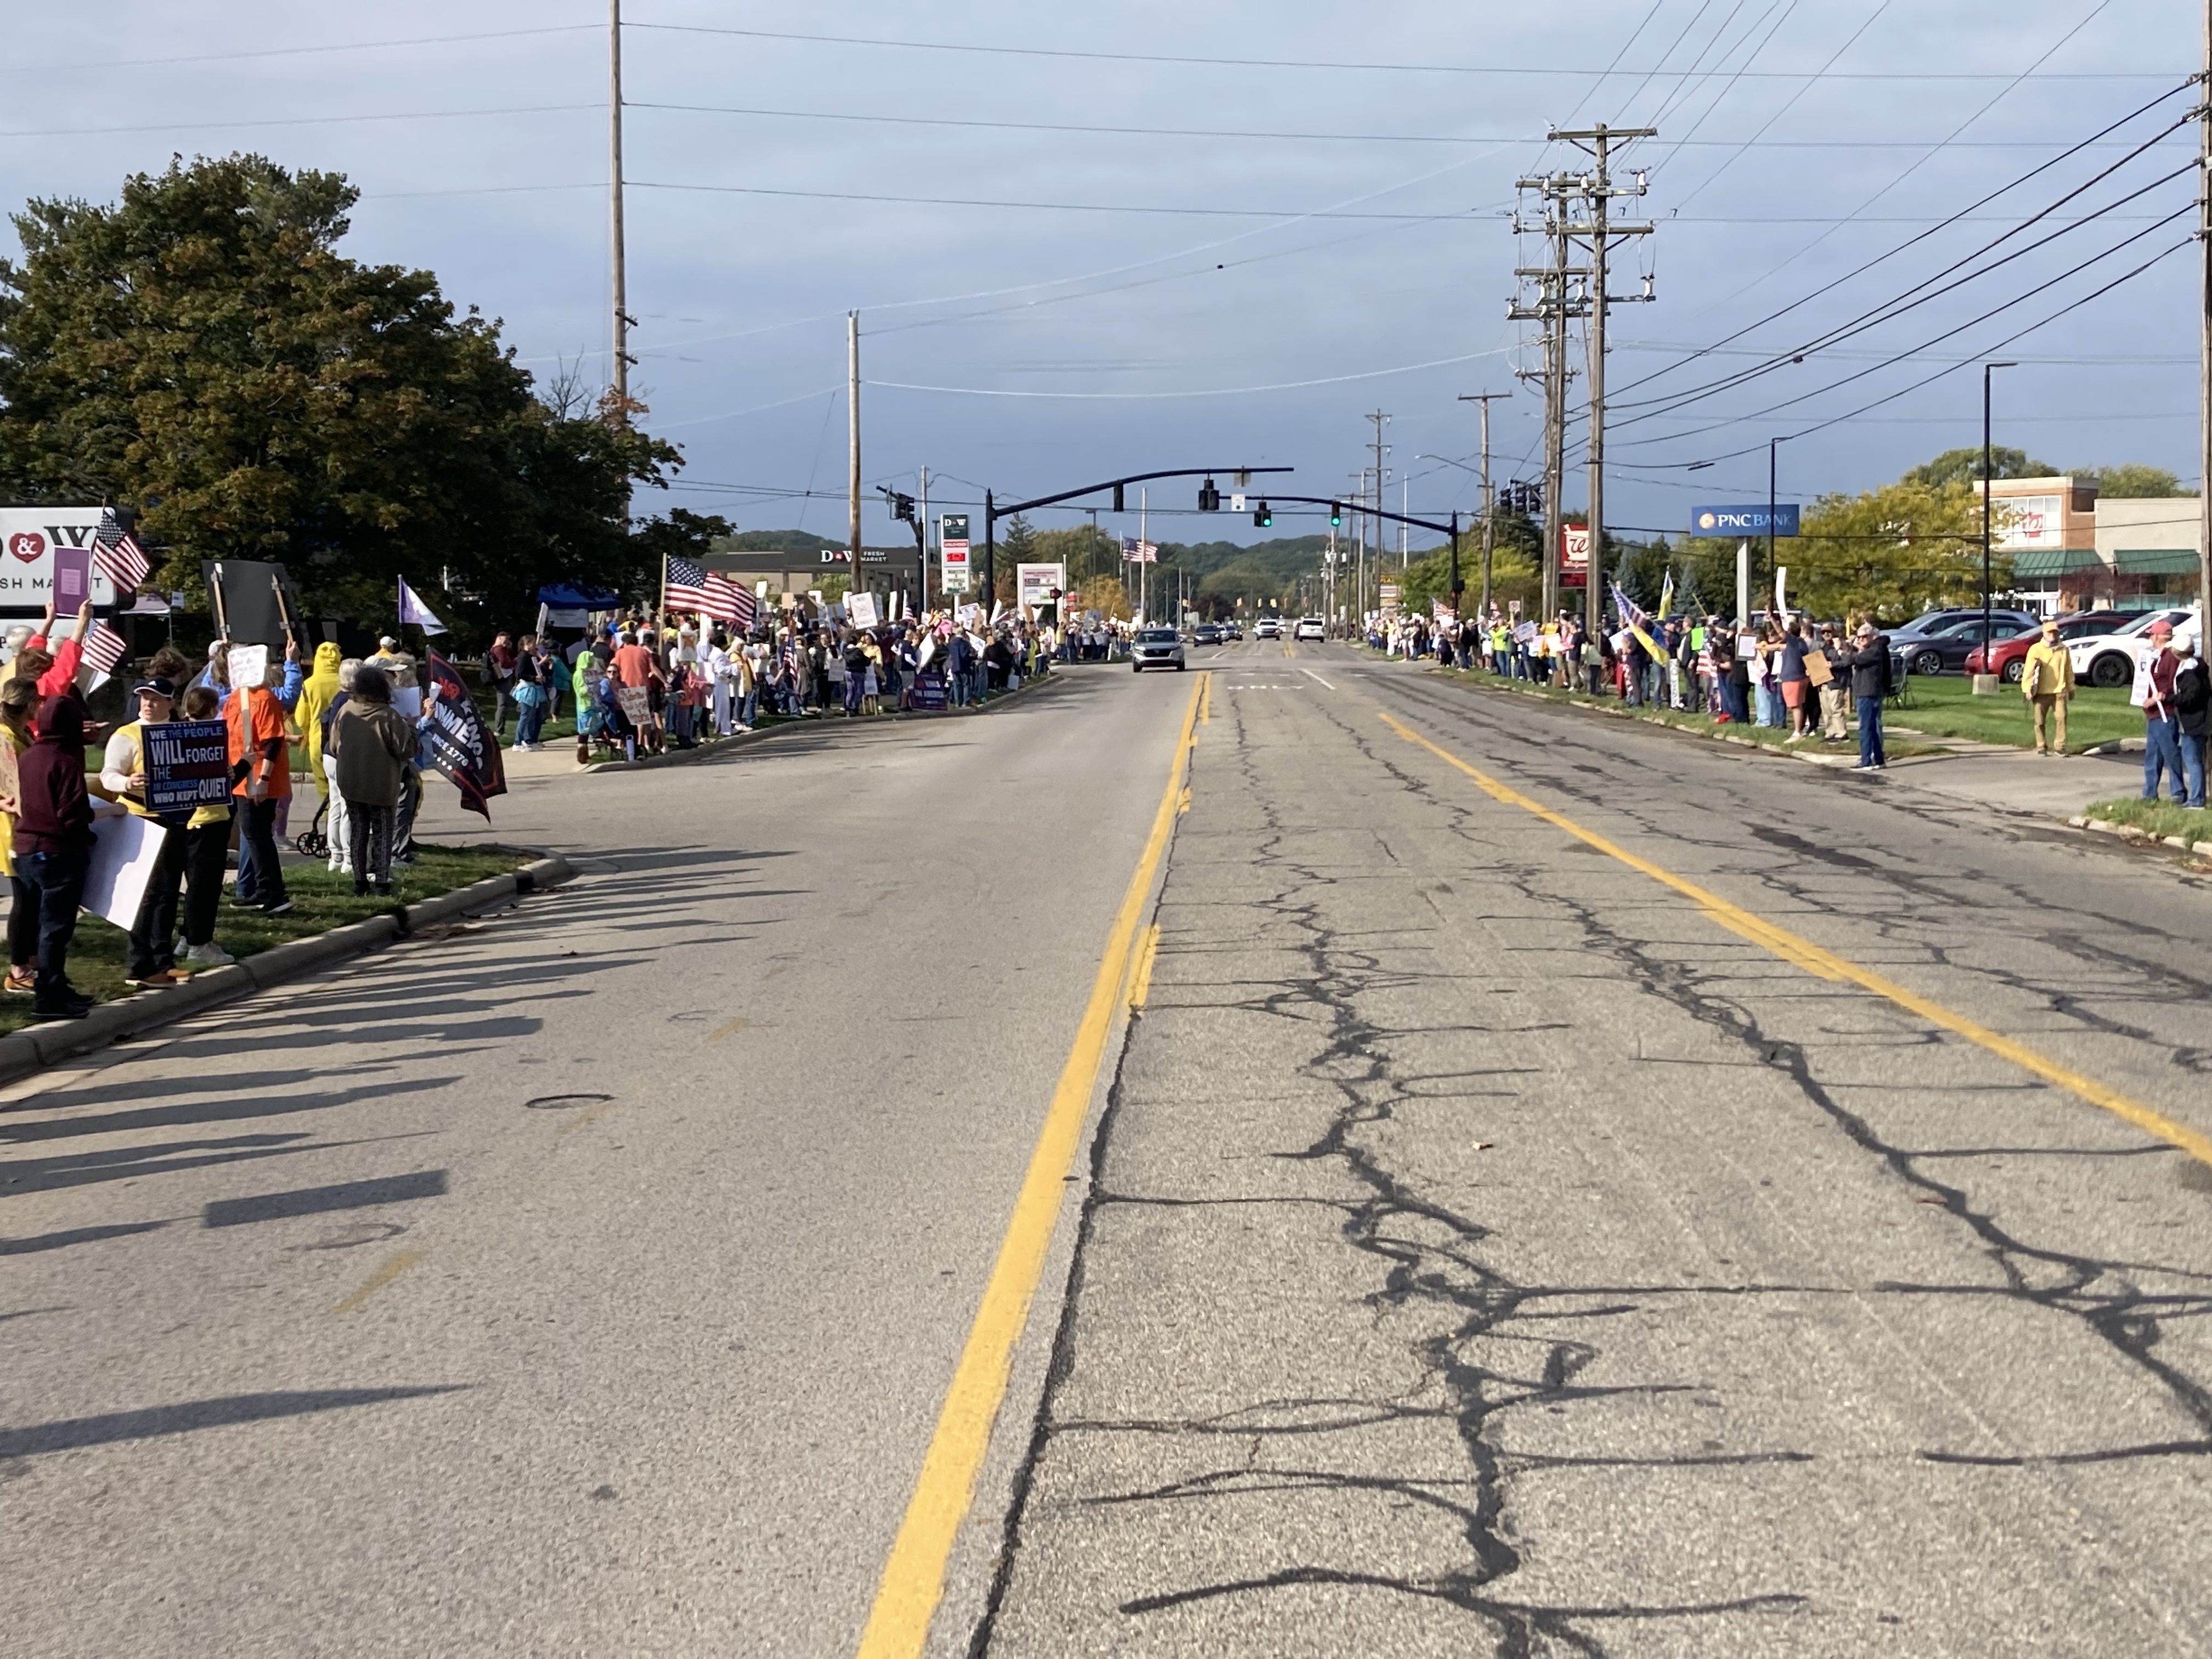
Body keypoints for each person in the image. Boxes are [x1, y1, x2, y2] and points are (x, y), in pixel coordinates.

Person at [13, 687, 128, 1019]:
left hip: (25, 851)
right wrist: (103, 820)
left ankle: (57, 986)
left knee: (39, 925)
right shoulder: (65, 763)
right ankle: (49, 998)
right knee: (55, 929)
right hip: (58, 853)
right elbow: (73, 816)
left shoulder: (27, 757)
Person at [99, 675, 199, 988]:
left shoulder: (183, 733)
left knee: (168, 892)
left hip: (175, 818)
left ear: (171, 702)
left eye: (156, 699)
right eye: (144, 698)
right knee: (145, 894)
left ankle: (163, 960)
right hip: (139, 819)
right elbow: (108, 775)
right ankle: (139, 963)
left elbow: (199, 766)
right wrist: (127, 782)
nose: (148, 704)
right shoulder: (127, 735)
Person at [328, 664, 415, 897]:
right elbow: (406, 750)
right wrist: (413, 727)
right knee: (382, 833)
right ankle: (382, 881)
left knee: (358, 832)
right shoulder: (389, 716)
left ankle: (360, 881)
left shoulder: (346, 711)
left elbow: (334, 745)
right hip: (381, 784)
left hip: (352, 783)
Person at [225, 652, 294, 914]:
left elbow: (272, 741)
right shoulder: (235, 698)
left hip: (259, 777)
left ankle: (273, 892)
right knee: (253, 834)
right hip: (240, 777)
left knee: (258, 834)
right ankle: (263, 889)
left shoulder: (265, 698)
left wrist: (264, 778)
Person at [176, 685, 237, 967]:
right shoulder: (208, 736)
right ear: (212, 710)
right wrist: (244, 766)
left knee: (196, 885)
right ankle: (199, 944)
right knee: (205, 887)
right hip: (208, 819)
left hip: (189, 820)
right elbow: (219, 784)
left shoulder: (178, 734)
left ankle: (189, 936)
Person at [1, 676, 39, 995]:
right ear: (29, 705)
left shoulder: (21, 733)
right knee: (23, 899)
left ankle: (32, 959)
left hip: (28, 827)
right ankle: (18, 969)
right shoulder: (5, 739)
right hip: (12, 830)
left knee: (32, 898)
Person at [2139, 617, 2185, 803]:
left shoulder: (2171, 657)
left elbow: (2174, 684)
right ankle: (2150, 794)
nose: (2150, 638)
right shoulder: (2157, 657)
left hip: (2166, 713)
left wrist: (2159, 697)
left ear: (2159, 636)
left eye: (2151, 635)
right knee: (2152, 756)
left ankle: (2178, 793)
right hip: (2154, 715)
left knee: (2170, 754)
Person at [2021, 617, 2075, 758]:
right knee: (2039, 721)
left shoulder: (2064, 649)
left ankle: (2060, 746)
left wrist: (2071, 688)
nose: (2053, 635)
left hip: (2059, 691)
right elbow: (2029, 670)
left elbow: (2069, 670)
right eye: (2050, 632)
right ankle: (2041, 745)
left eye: (2055, 632)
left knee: (2062, 718)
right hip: (2041, 692)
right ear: (2044, 633)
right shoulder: (2036, 649)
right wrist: (2027, 689)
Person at [1842, 620, 1892, 771]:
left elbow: (1855, 660)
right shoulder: (1876, 649)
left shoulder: (1875, 650)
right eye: (1859, 637)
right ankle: (1879, 759)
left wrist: (1841, 650)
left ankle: (1866, 761)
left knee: (1865, 728)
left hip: (1868, 692)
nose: (1861, 639)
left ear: (1872, 636)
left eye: (1864, 637)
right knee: (1872, 728)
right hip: (1871, 692)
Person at [1778, 619, 1811, 740]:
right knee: (1799, 705)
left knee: (1794, 706)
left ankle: (1797, 732)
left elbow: (1779, 631)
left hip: (1792, 678)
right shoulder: (1802, 643)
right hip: (1802, 677)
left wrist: (1771, 618)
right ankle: (1799, 730)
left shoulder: (1791, 641)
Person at [484, 631, 519, 740]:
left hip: (500, 678)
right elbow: (504, 663)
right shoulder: (499, 649)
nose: (507, 642)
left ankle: (500, 729)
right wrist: (515, 662)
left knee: (504, 704)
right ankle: (499, 730)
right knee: (503, 705)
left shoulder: (494, 649)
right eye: (505, 639)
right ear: (499, 638)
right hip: (502, 679)